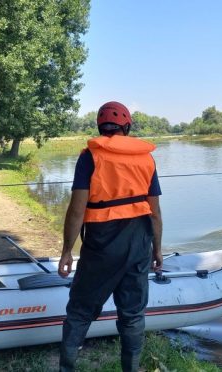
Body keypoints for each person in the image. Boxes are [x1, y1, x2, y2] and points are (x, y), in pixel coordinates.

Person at [58, 101, 163, 372]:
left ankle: (66, 368)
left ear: (100, 127)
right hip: (139, 239)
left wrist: (67, 251)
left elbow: (77, 209)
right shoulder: (146, 158)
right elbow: (154, 212)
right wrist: (157, 250)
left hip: (103, 242)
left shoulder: (90, 156)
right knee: (132, 312)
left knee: (80, 310)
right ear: (126, 126)